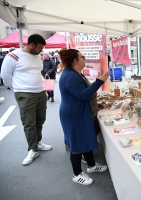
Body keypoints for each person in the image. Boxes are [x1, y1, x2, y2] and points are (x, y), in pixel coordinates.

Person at [58, 48, 110, 185]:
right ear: (75, 60)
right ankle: (76, 174)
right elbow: (83, 94)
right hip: (74, 114)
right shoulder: (70, 75)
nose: (84, 59)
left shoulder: (75, 73)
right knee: (77, 144)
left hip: (79, 112)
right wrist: (99, 82)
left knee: (85, 138)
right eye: (82, 57)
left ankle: (91, 165)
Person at [0, 34, 52, 165]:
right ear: (31, 45)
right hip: (25, 94)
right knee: (29, 123)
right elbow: (5, 75)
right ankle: (32, 149)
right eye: (40, 47)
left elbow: (37, 72)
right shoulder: (13, 56)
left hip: (40, 92)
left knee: (40, 119)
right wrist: (17, 88)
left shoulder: (38, 56)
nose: (41, 50)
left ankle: (38, 142)